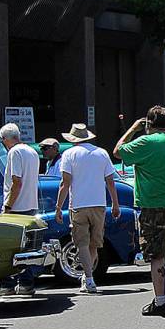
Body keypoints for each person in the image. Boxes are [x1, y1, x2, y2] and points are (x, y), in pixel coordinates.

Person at [114, 105, 165, 316]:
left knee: (157, 255)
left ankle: (160, 301)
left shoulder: (146, 142)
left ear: (149, 125)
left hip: (153, 205)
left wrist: (132, 129)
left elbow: (118, 151)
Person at [54, 124, 120, 294]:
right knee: (94, 244)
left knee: (81, 244)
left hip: (78, 204)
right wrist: (115, 203)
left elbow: (65, 183)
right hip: (99, 204)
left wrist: (58, 207)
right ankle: (87, 277)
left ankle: (88, 277)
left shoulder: (69, 154)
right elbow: (110, 181)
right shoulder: (101, 153)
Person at [0, 123, 41, 296]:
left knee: (10, 249)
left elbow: (17, 181)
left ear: (6, 139)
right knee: (28, 249)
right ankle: (26, 283)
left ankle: (8, 284)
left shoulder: (14, 152)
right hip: (30, 205)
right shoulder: (31, 151)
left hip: (16, 208)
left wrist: (8, 206)